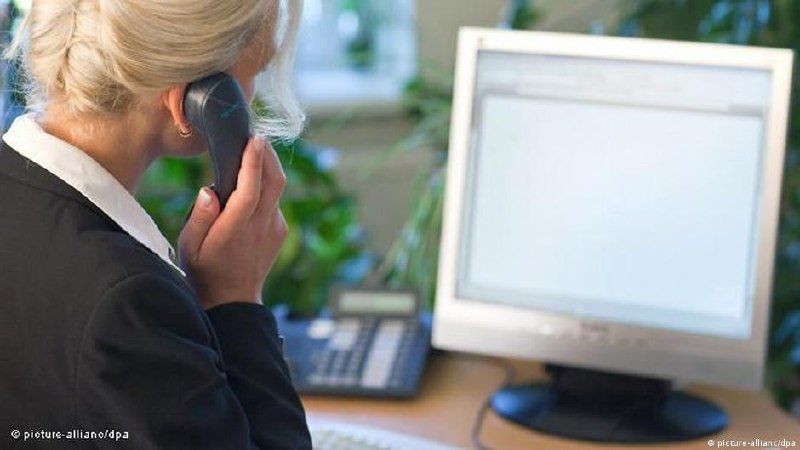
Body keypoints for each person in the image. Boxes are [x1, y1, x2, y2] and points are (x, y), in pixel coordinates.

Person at [0, 0, 311, 448]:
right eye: (255, 74)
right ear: (198, 100)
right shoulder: (129, 302)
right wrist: (235, 303)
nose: (253, 98)